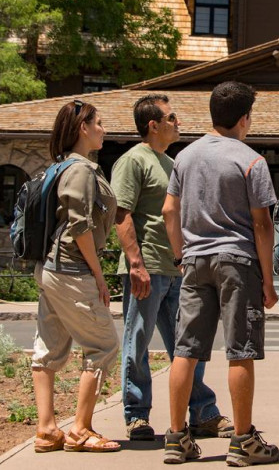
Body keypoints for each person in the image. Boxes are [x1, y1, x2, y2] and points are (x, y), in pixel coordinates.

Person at [162, 81, 279, 465]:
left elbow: (168, 210)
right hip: (237, 262)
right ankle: (243, 441)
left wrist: (181, 256)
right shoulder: (251, 161)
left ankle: (176, 437)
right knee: (240, 351)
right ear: (245, 118)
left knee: (186, 351)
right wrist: (268, 279)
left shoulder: (185, 157)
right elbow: (262, 225)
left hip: (194, 261)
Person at [112, 94, 231, 441]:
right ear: (153, 125)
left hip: (176, 269)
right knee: (137, 342)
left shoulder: (169, 161)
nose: (178, 121)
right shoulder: (134, 161)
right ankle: (136, 415)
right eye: (171, 116)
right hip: (146, 268)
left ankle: (202, 413)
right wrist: (136, 263)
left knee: (189, 345)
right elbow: (121, 213)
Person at [31, 99, 121, 453]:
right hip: (72, 268)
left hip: (51, 268)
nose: (103, 129)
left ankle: (47, 430)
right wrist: (99, 276)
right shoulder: (81, 170)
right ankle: (81, 429)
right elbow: (80, 226)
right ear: (83, 129)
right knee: (104, 346)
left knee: (48, 350)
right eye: (98, 123)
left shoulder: (61, 166)